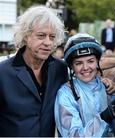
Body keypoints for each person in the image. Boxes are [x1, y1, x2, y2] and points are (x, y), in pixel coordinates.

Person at [0, 5, 68, 137]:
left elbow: (85, 73)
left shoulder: (60, 69)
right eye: (41, 36)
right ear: (26, 36)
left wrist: (106, 80)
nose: (48, 42)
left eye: (52, 37)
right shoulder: (2, 74)